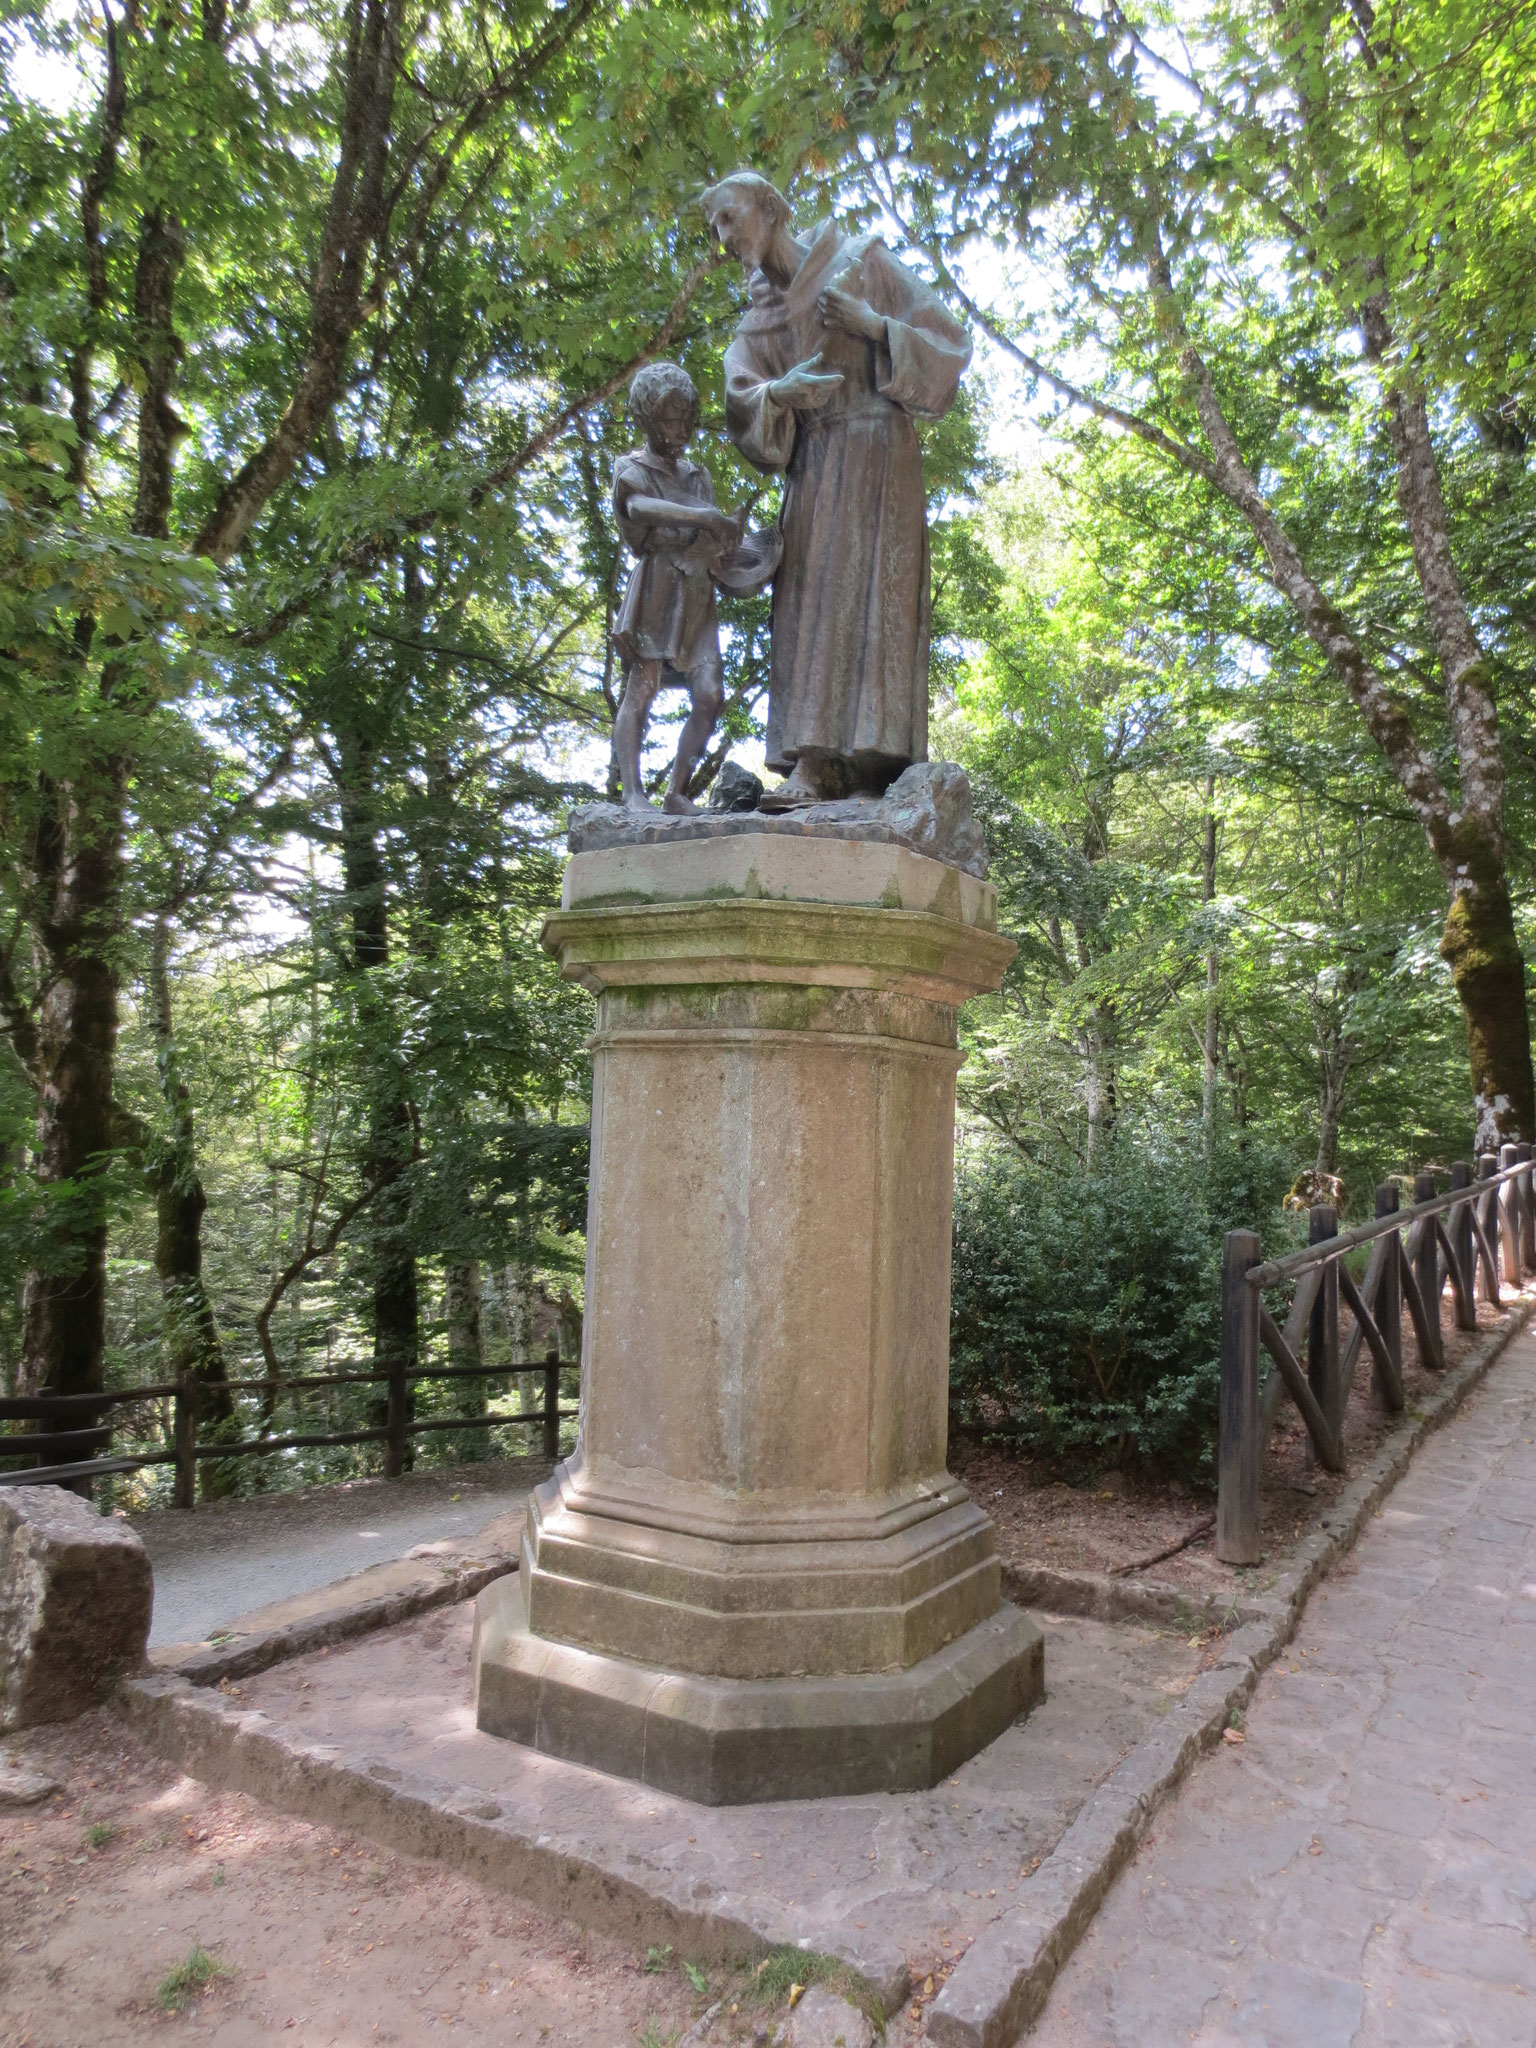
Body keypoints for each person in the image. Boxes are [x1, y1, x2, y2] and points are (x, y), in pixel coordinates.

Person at [702, 171, 971, 810]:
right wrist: (779, 393)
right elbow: (741, 398)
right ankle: (815, 764)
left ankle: (877, 766)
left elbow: (950, 346)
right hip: (817, 467)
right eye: (715, 227)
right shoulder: (759, 322)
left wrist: (875, 325)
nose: (724, 237)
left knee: (880, 598)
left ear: (769, 210)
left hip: (882, 456)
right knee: (812, 598)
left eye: (730, 217)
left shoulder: (861, 263)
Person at [609, 362, 742, 814]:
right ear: (647, 417)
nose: (682, 427)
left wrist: (732, 544)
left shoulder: (697, 475)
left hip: (698, 591)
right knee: (641, 688)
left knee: (709, 694)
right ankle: (632, 793)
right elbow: (640, 507)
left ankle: (678, 792)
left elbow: (712, 541)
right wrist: (704, 518)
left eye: (688, 417)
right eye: (671, 417)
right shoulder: (631, 467)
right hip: (657, 589)